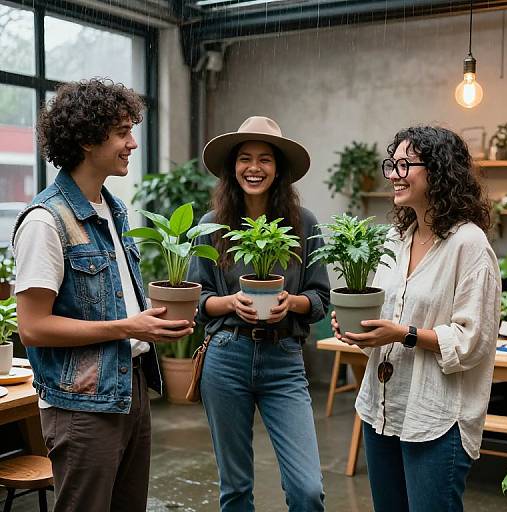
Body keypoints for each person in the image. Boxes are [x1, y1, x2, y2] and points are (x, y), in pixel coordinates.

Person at [12, 78, 193, 512]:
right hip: (81, 404)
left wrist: (146, 321)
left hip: (128, 386)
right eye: (122, 132)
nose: (133, 143)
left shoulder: (112, 209)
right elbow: (33, 327)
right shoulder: (46, 220)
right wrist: (129, 326)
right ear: (88, 140)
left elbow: (111, 299)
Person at [331, 126, 501, 512]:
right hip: (383, 407)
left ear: (440, 172)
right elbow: (381, 307)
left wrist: (405, 334)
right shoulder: (397, 236)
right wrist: (358, 329)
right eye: (392, 163)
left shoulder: (469, 245)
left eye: (405, 164)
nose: (392, 173)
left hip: (436, 417)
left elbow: (472, 341)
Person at [188, 116, 329, 511]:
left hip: (284, 359)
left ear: (278, 169)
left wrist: (293, 302)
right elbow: (198, 301)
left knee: (307, 490)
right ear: (233, 167)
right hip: (226, 356)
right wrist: (231, 303)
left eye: (265, 159)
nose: (254, 167)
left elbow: (320, 296)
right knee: (235, 489)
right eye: (245, 158)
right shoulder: (211, 226)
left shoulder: (304, 225)